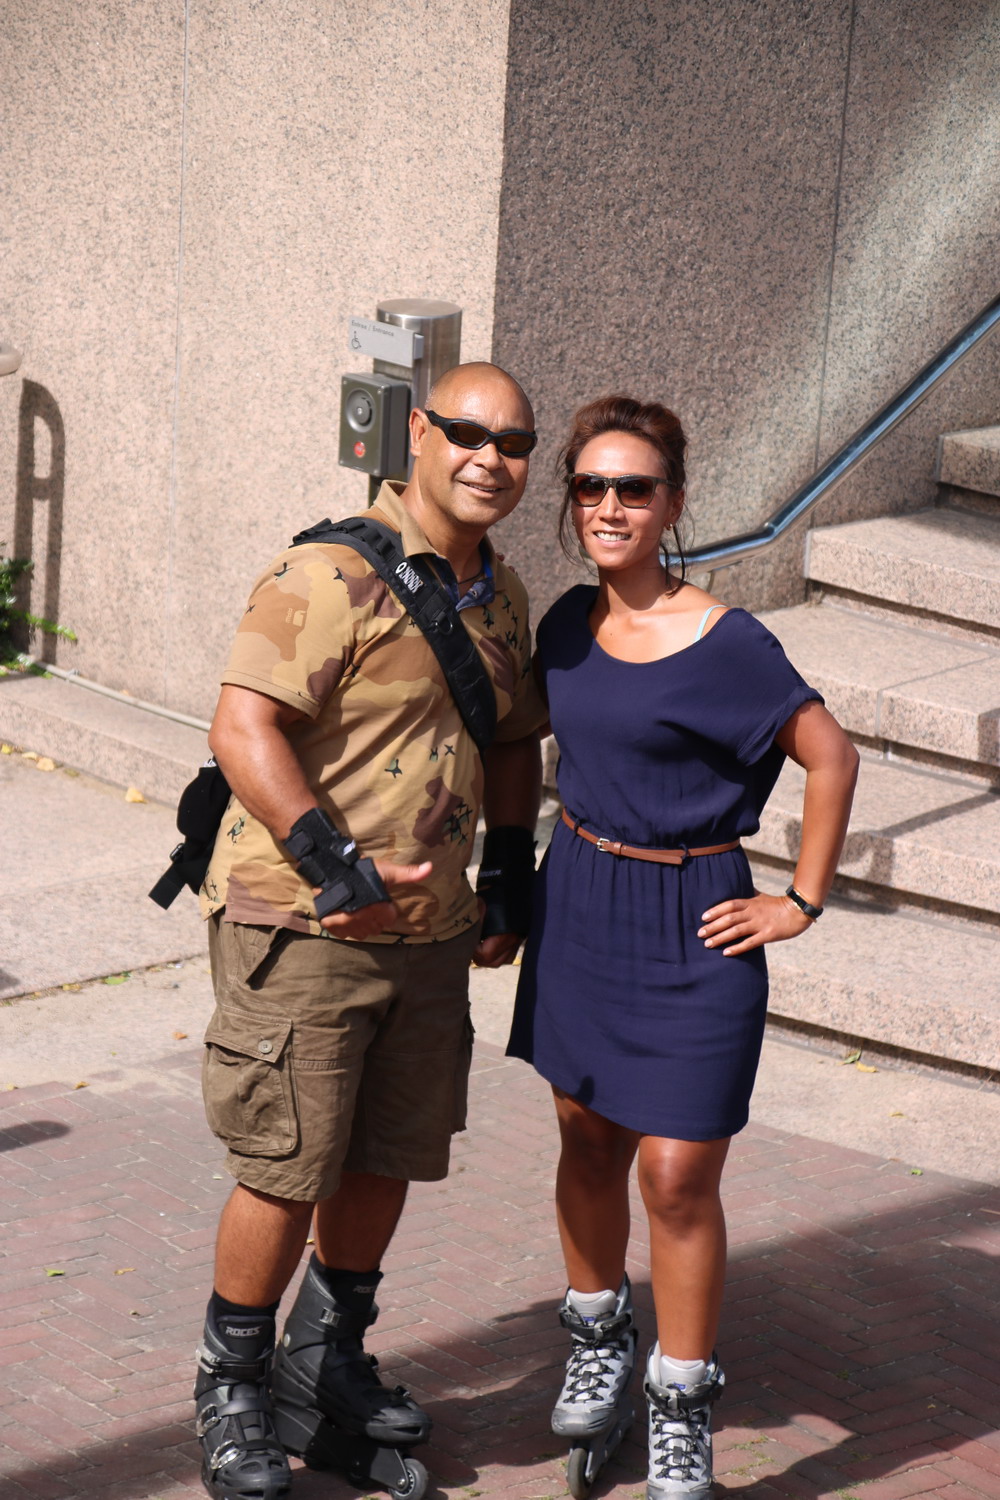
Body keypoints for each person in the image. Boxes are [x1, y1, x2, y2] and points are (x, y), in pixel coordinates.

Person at [193, 362, 547, 1500]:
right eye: (468, 433)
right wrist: (330, 862)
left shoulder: (501, 593)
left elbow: (510, 736)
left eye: (514, 443)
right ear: (419, 436)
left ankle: (323, 1365)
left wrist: (508, 871)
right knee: (287, 1163)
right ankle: (231, 1386)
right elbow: (243, 726)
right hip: (305, 925)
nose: (490, 459)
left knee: (388, 1151)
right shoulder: (330, 572)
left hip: (432, 930)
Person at [507, 395, 859, 1500]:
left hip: (696, 916)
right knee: (584, 1138)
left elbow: (832, 756)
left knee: (676, 1173)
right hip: (581, 902)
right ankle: (599, 1336)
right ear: (571, 503)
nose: (610, 506)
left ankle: (680, 1406)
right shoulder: (566, 625)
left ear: (673, 503)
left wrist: (800, 901)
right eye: (591, 487)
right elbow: (515, 739)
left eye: (635, 488)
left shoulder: (728, 643)